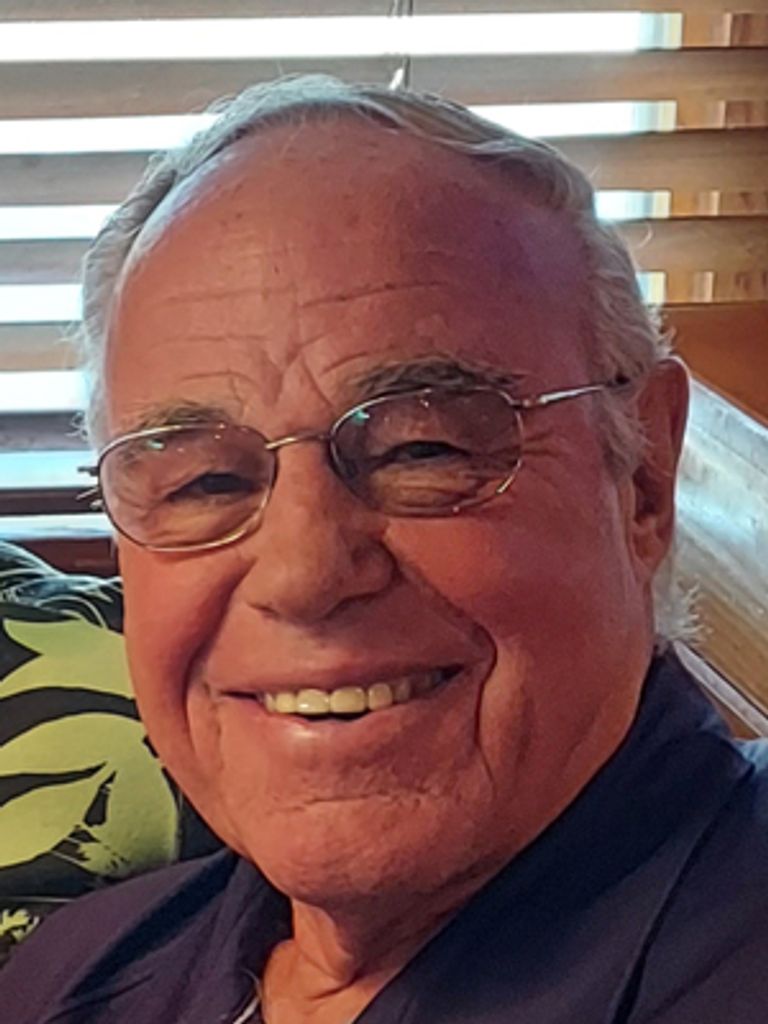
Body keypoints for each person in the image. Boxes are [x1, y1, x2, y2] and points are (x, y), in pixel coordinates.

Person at [1, 75, 767, 1024]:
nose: (303, 574)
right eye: (204, 482)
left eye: (422, 450)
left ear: (643, 477)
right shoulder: (74, 971)